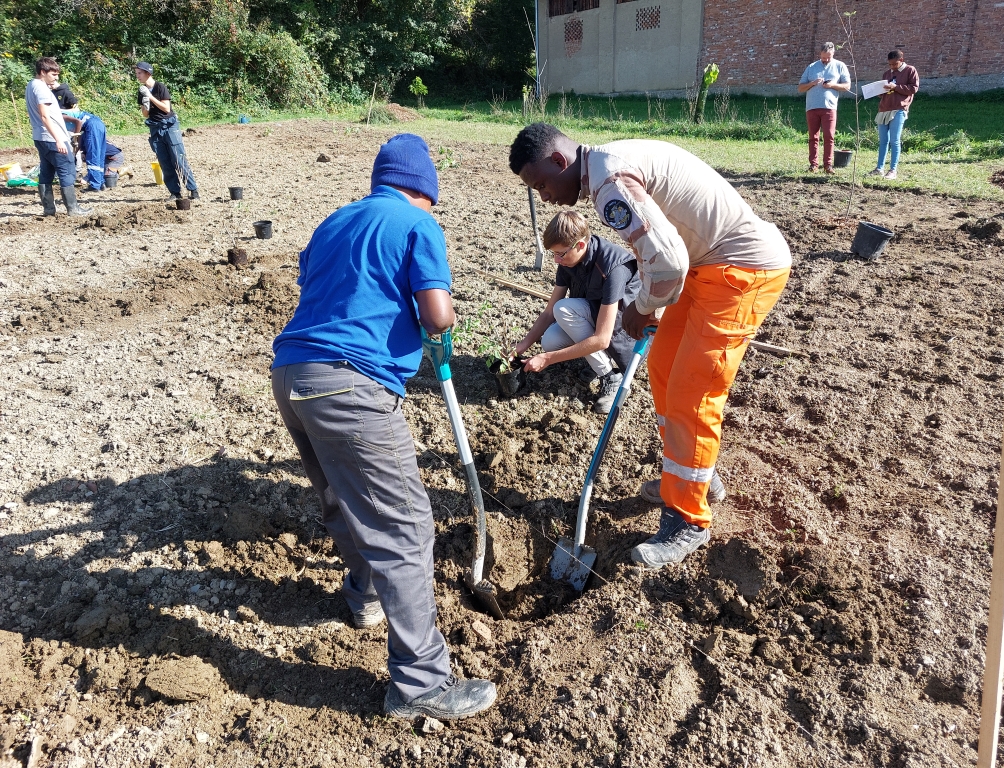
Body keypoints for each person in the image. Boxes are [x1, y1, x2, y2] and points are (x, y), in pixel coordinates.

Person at [271, 134, 497, 721]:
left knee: (342, 497)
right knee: (406, 527)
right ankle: (420, 684)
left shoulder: (336, 220)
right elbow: (438, 314)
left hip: (293, 373)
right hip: (351, 384)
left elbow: (328, 291)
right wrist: (442, 318)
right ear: (426, 190)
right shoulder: (419, 225)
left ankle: (365, 595)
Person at [509, 124, 791, 569]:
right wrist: (652, 301)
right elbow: (662, 249)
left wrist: (641, 308)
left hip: (740, 271)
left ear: (559, 162)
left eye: (541, 184)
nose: (544, 197)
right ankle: (697, 475)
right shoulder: (604, 165)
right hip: (705, 266)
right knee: (663, 367)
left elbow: (669, 261)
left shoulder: (608, 182)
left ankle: (687, 519)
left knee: (693, 392)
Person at [513, 210, 641, 414]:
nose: (556, 260)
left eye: (559, 254)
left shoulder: (612, 266)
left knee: (564, 310)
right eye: (554, 253)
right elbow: (548, 314)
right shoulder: (568, 259)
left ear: (580, 245)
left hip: (621, 332)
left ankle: (611, 375)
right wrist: (522, 346)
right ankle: (596, 362)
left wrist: (547, 359)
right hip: (593, 317)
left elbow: (602, 339)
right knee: (550, 341)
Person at [25, 57, 91, 217]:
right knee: (67, 169)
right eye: (53, 74)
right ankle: (73, 209)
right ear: (42, 72)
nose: (56, 78)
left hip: (40, 137)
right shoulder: (41, 88)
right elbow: (45, 116)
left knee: (46, 171)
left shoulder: (31, 85)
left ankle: (48, 209)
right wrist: (58, 139)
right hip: (51, 137)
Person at [134, 61, 199, 200]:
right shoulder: (142, 90)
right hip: (155, 127)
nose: (137, 76)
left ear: (148, 73)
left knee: (178, 158)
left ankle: (193, 191)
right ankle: (175, 192)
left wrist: (150, 97)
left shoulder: (160, 87)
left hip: (169, 126)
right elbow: (145, 114)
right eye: (136, 73)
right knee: (164, 161)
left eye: (139, 73)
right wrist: (145, 103)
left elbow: (166, 108)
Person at [797, 42, 851, 175]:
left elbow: (847, 86)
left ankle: (828, 165)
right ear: (819, 54)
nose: (826, 60)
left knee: (829, 136)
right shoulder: (811, 67)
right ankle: (813, 165)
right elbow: (800, 88)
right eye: (823, 57)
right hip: (812, 107)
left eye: (828, 57)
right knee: (813, 137)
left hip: (830, 107)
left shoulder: (840, 66)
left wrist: (833, 85)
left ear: (833, 54)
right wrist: (812, 83)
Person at [869, 50, 920, 180]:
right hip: (884, 109)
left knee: (895, 140)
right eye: (890, 64)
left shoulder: (910, 70)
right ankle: (879, 168)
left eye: (894, 64)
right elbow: (883, 92)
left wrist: (895, 87)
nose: (892, 67)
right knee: (883, 141)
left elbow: (913, 88)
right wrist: (879, 91)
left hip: (899, 109)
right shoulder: (887, 73)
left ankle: (893, 170)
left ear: (901, 60)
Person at [62, 109, 109, 192]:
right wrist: (74, 153)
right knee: (99, 156)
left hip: (91, 125)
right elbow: (80, 137)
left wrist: (74, 137)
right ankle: (100, 183)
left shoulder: (60, 115)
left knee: (92, 155)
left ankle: (94, 186)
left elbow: (78, 123)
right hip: (98, 124)